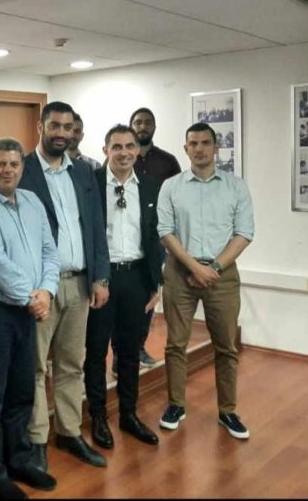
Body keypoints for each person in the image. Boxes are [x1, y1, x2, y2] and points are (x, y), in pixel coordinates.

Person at [18, 101, 110, 470]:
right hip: (41, 287)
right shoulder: (21, 170)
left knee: (72, 364)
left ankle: (69, 432)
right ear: (40, 127)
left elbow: (96, 226)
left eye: (67, 127)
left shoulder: (83, 172)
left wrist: (100, 276)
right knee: (35, 368)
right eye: (54, 125)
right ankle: (37, 439)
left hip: (80, 284)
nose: (61, 133)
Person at [0, 138, 60, 499]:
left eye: (14, 164)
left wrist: (47, 291)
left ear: (22, 168)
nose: (8, 170)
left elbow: (49, 251)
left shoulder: (33, 201)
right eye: (1, 164)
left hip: (27, 312)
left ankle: (18, 459)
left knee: (21, 392)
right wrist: (33, 298)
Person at [157, 122, 254, 440]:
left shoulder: (235, 187)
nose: (199, 149)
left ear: (216, 148)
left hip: (222, 275)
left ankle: (228, 411)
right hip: (179, 273)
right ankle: (176, 405)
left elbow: (244, 233)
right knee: (175, 344)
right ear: (185, 149)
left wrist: (213, 267)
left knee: (226, 346)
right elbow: (165, 231)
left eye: (205, 143)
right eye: (193, 143)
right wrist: (193, 268)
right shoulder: (171, 186)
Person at [84, 125, 163, 451]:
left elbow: (156, 235)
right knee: (96, 351)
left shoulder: (150, 186)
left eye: (130, 146)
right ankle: (98, 417)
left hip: (137, 277)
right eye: (116, 146)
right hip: (102, 279)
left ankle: (129, 414)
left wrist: (155, 282)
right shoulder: (90, 184)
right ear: (105, 151)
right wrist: (96, 279)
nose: (124, 152)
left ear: (137, 150)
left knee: (130, 351)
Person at [126, 107, 183, 368]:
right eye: (138, 122)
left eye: (147, 122)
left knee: (149, 294)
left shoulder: (168, 162)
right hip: (125, 237)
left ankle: (139, 347)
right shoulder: (123, 156)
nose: (142, 126)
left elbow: (178, 198)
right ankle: (121, 354)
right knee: (124, 299)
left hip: (156, 239)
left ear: (154, 127)